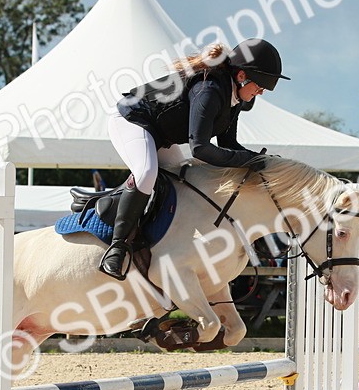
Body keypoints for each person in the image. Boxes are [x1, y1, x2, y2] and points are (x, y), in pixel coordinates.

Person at [100, 37, 287, 279]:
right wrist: (248, 161)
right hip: (132, 120)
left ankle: (153, 238)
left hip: (159, 134)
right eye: (259, 87)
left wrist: (261, 161)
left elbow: (228, 145)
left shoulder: (234, 98)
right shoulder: (208, 90)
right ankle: (118, 247)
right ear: (242, 76)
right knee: (146, 173)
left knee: (182, 178)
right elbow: (199, 148)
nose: (260, 92)